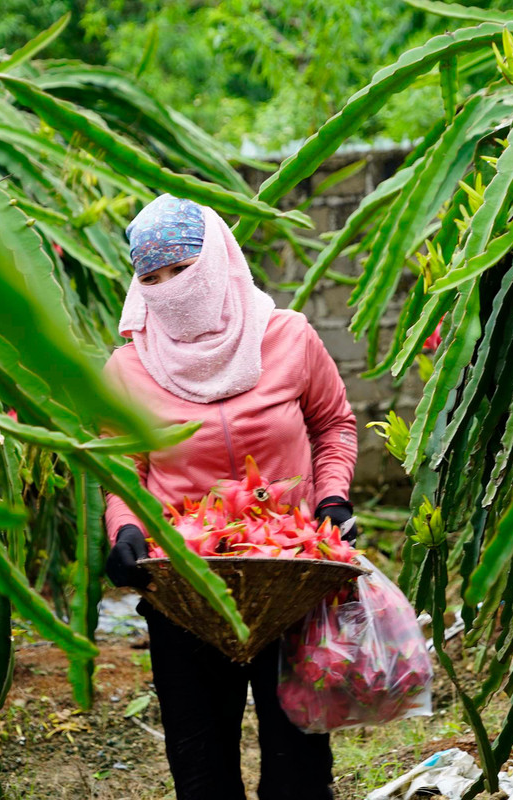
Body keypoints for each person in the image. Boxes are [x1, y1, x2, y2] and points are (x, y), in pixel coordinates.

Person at [100, 194, 358, 800]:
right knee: (201, 769)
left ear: (215, 263)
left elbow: (334, 425)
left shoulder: (288, 337)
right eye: (152, 278)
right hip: (184, 585)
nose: (169, 289)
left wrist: (333, 500)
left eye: (182, 272)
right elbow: (122, 469)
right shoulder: (127, 367)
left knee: (299, 769)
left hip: (288, 578)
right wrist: (126, 531)